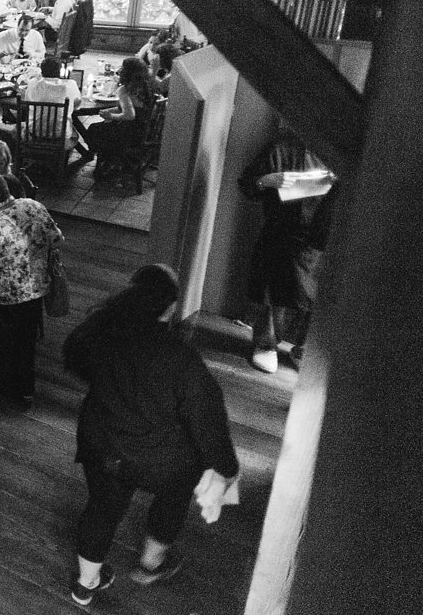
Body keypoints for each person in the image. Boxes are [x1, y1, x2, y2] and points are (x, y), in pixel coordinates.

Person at [62, 264, 239, 605]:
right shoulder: (180, 358)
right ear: (171, 307)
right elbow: (207, 418)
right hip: (156, 456)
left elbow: (75, 357)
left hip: (102, 443)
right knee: (176, 490)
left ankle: (85, 585)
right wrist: (226, 467)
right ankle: (151, 563)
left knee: (102, 508)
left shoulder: (101, 334)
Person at [237, 126, 336, 373]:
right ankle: (266, 343)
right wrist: (267, 180)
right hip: (281, 232)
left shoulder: (341, 156)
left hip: (322, 237)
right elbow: (247, 185)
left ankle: (304, 350)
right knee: (272, 290)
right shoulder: (281, 148)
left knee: (319, 298)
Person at [0, 171, 61, 405]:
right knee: (26, 341)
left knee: (4, 343)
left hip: (5, 298)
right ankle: (26, 389)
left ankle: (1, 386)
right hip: (37, 288)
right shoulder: (33, 206)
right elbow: (56, 239)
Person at [74, 57, 155, 179]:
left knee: (94, 129)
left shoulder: (125, 90)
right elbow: (132, 109)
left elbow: (129, 115)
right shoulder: (145, 87)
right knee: (100, 127)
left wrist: (111, 116)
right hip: (143, 131)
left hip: (129, 134)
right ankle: (109, 161)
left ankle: (105, 159)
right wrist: (111, 111)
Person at [24, 57, 84, 141]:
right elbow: (77, 104)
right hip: (61, 134)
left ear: (41, 71)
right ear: (59, 71)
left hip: (35, 132)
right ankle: (88, 150)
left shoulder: (33, 83)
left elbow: (27, 102)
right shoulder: (70, 84)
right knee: (70, 121)